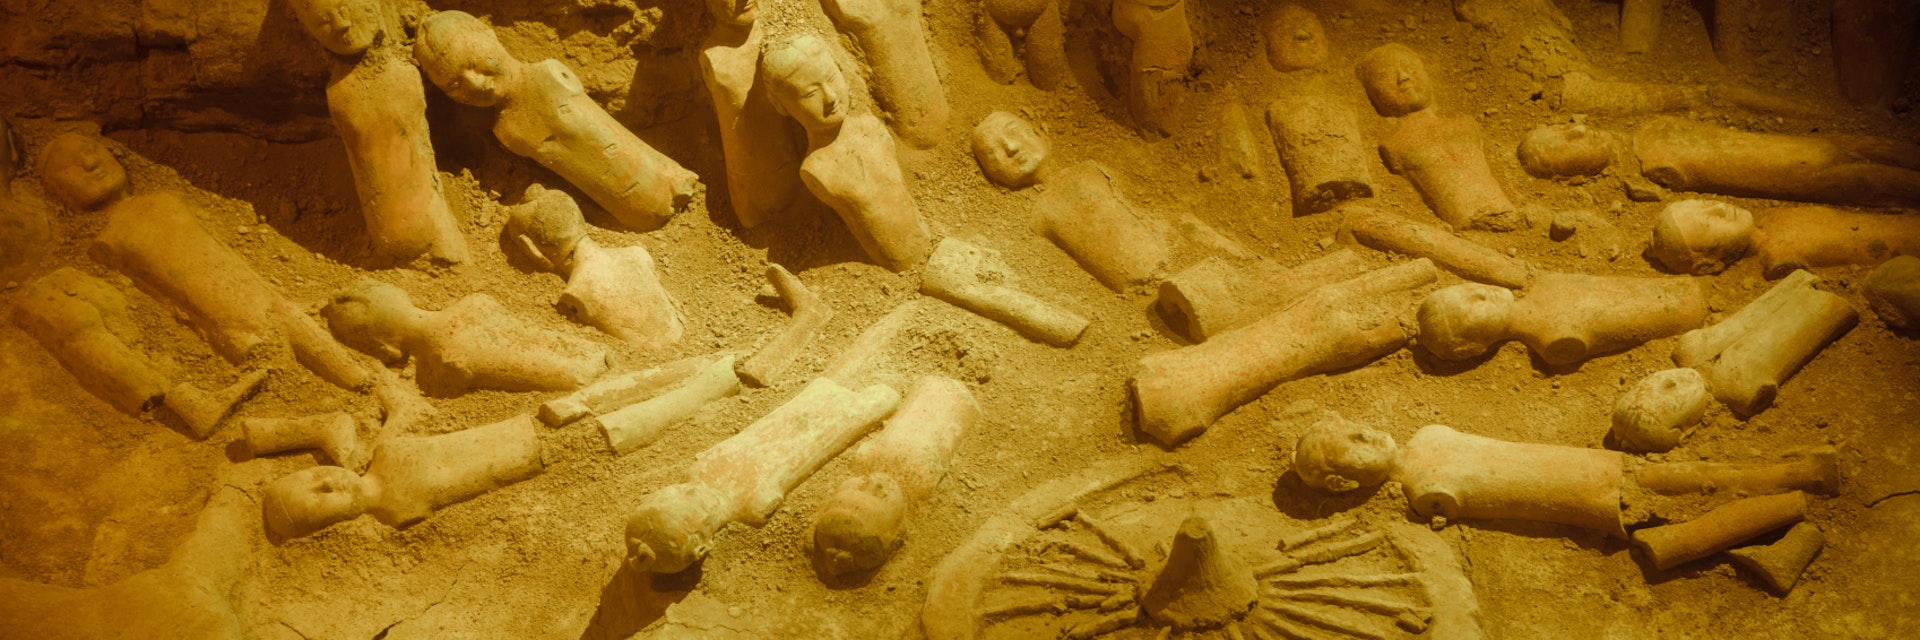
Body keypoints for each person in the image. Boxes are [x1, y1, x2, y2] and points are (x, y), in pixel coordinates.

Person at [39, 133, 371, 391]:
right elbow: (155, 299)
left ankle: (363, 383)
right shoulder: (105, 244)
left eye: (93, 150)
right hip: (221, 321)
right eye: (70, 164)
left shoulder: (164, 200)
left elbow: (221, 248)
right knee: (275, 357)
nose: (90, 162)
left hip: (260, 293)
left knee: (316, 342)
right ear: (59, 192)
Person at [414, 10, 699, 231]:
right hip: (619, 203)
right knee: (640, 210)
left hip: (646, 167)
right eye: (454, 86)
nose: (475, 84)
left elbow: (608, 129)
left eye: (473, 63)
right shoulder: (503, 129)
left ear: (488, 34)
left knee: (661, 180)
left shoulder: (547, 75)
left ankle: (672, 185)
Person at [761, 34, 932, 271]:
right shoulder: (817, 168)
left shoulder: (872, 127)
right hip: (895, 264)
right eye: (811, 94)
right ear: (781, 106)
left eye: (831, 78)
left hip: (929, 244)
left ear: (840, 69)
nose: (830, 97)